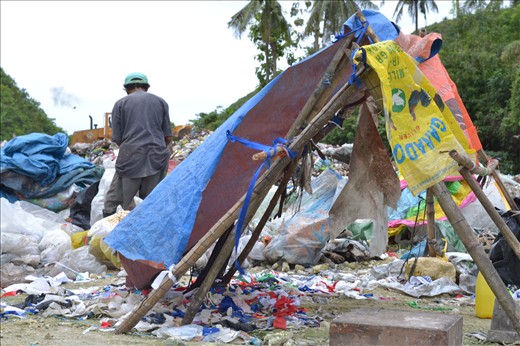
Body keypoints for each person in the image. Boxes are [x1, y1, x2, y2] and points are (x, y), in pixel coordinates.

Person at [102, 72, 173, 217]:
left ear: (127, 88)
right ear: (146, 87)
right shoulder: (161, 102)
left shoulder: (120, 104)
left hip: (130, 157)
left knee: (118, 201)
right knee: (151, 202)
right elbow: (167, 136)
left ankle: (110, 229)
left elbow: (117, 138)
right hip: (157, 156)